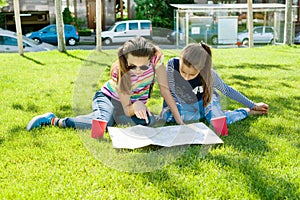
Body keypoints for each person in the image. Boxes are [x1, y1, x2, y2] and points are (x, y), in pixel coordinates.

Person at [27, 37, 184, 132]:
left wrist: (180, 121)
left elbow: (164, 89)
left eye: (143, 66)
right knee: (100, 127)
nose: (137, 71)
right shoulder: (121, 73)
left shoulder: (156, 59)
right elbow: (127, 108)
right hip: (109, 98)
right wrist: (136, 106)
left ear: (150, 60)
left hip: (131, 105)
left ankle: (109, 118)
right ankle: (54, 120)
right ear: (126, 61)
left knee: (147, 122)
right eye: (132, 66)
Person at [160, 42, 269, 125]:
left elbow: (227, 90)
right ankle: (202, 115)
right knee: (168, 117)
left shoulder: (208, 74)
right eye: (183, 72)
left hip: (203, 103)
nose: (186, 78)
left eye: (191, 75)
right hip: (183, 104)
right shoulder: (172, 66)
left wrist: (252, 105)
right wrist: (179, 120)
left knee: (220, 120)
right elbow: (171, 94)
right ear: (180, 59)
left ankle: (246, 112)